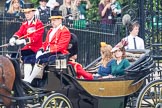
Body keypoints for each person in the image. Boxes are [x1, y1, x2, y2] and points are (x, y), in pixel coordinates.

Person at [22, 10, 71, 84]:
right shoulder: (50, 31)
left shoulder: (64, 31)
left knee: (40, 59)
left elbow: (61, 46)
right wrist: (41, 49)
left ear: (60, 20)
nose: (52, 22)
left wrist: (48, 49)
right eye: (51, 20)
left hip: (58, 53)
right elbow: (46, 43)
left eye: (54, 20)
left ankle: (29, 80)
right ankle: (27, 78)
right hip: (48, 52)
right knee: (29, 58)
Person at [8, 3, 44, 80]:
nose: (27, 15)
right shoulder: (24, 24)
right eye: (25, 13)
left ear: (33, 12)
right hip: (27, 48)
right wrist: (14, 38)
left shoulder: (38, 24)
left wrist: (24, 41)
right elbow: (19, 32)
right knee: (13, 56)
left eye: (29, 12)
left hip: (35, 49)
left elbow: (36, 37)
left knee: (27, 58)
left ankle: (27, 79)